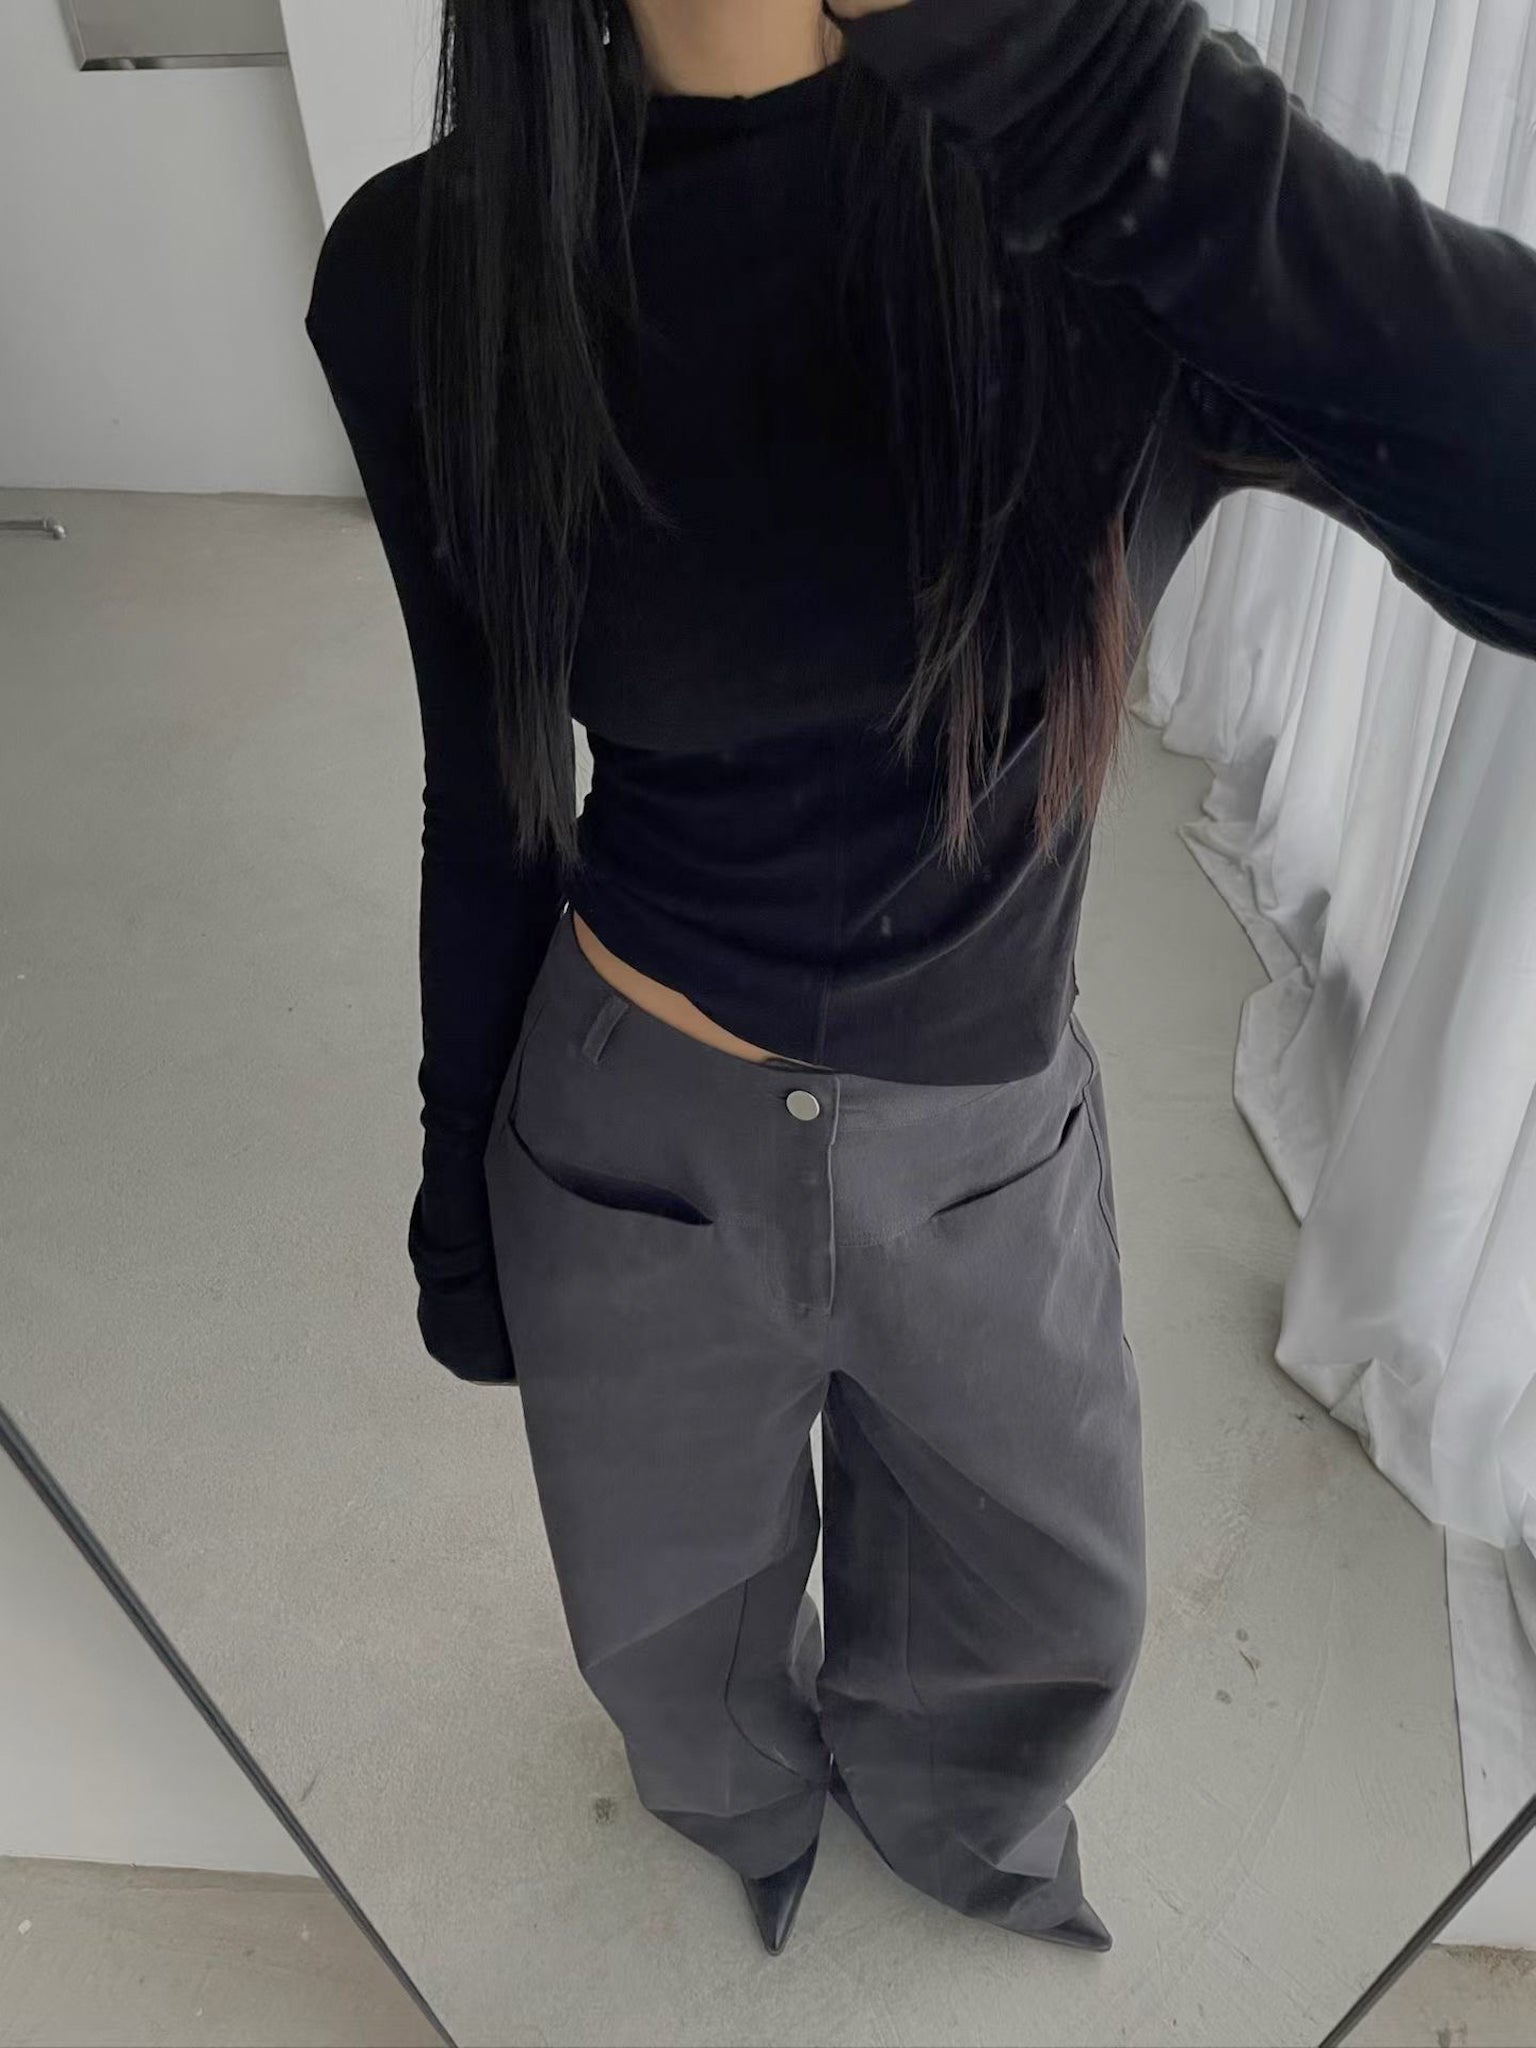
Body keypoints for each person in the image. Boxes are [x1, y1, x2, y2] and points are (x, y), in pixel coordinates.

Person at [304, 0, 1536, 1959]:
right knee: (665, 1617)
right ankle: (742, 1811)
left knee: (1051, 1609)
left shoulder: (1111, 214)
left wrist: (1099, 93)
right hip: (632, 1134)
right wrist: (459, 1202)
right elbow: (493, 789)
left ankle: (960, 1827)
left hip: (983, 1136)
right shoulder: (428, 264)